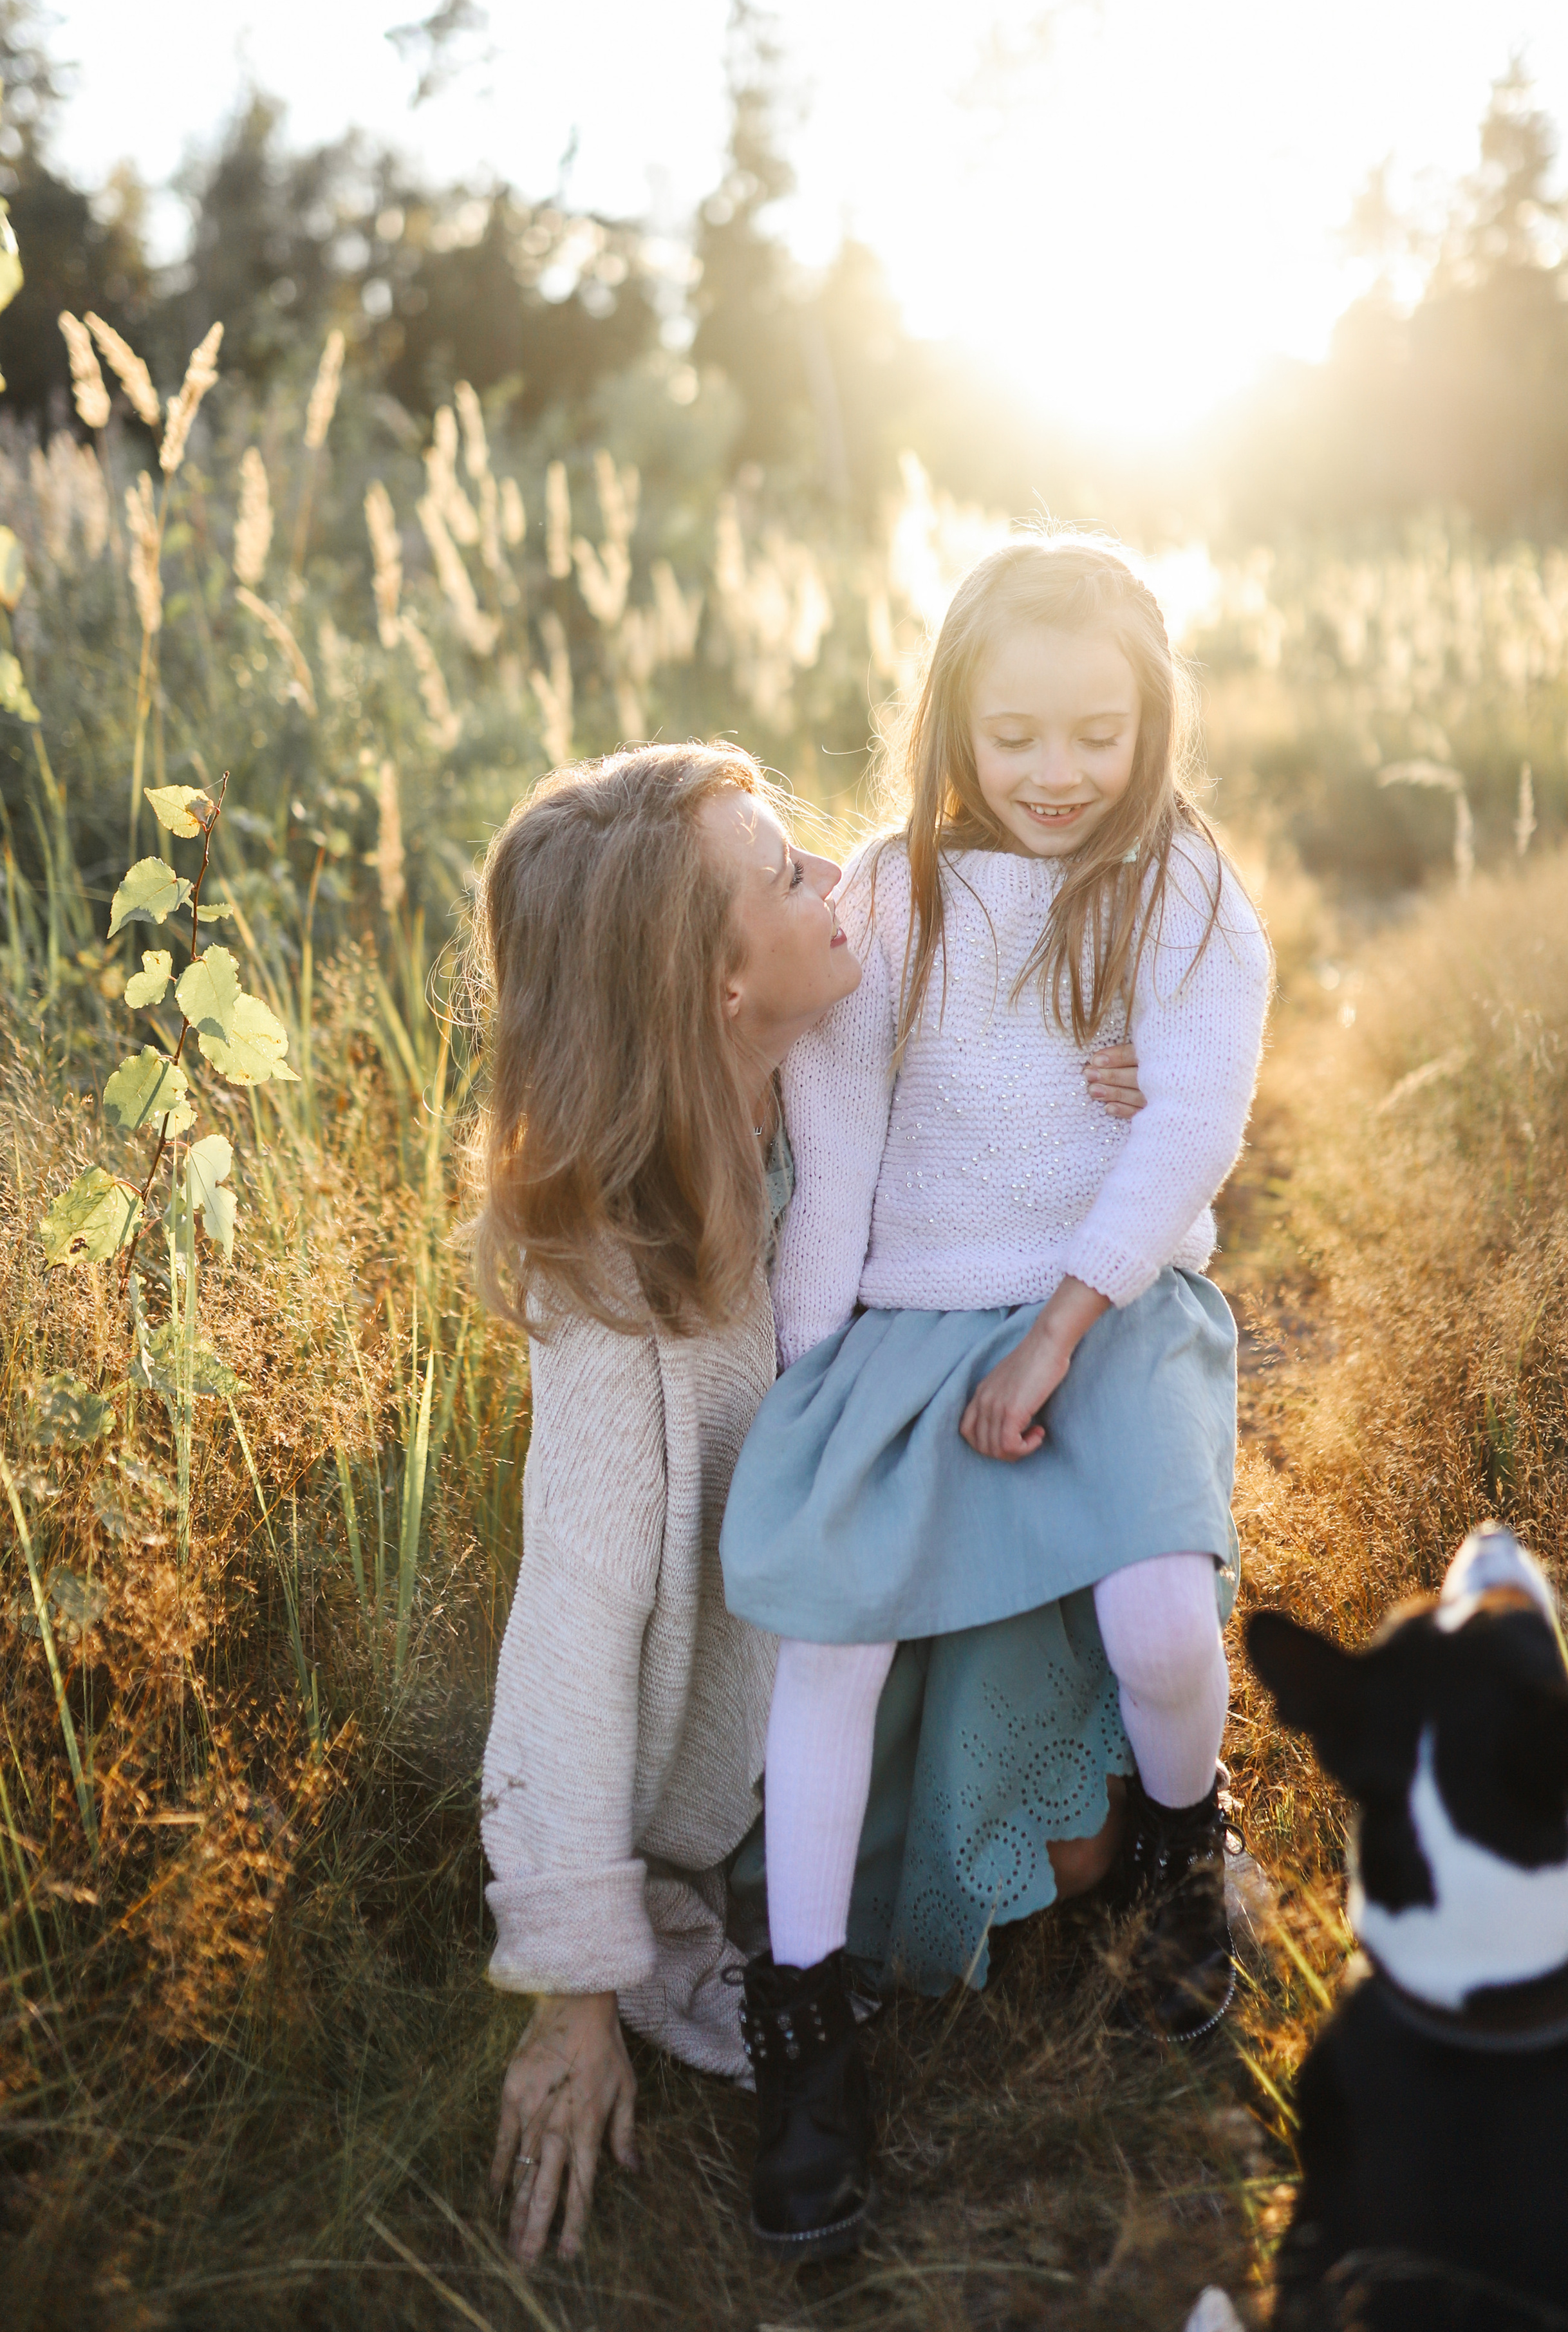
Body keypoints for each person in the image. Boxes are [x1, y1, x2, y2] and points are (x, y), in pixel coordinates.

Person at [470, 738, 1151, 2263]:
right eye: (784, 876)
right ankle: (817, 1963)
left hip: (921, 1523)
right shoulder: (615, 1300)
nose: (831, 876)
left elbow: (1031, 1062)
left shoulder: (844, 1047)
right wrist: (573, 1994)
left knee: (1097, 1834)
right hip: (790, 1669)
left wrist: (1121, 1077)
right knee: (1059, 1861)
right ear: (720, 990)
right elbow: (570, 1628)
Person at [720, 534, 1273, 2255]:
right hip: (910, 1311)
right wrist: (816, 1377)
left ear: (1152, 726)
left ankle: (1185, 1858)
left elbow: (1190, 1118)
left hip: (1104, 1307)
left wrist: (1053, 1334)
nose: (1054, 774)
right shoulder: (894, 889)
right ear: (955, 716)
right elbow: (844, 1133)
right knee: (831, 1642)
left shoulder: (1178, 883)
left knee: (1165, 1618)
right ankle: (808, 2032)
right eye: (1016, 732)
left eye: (1096, 734)